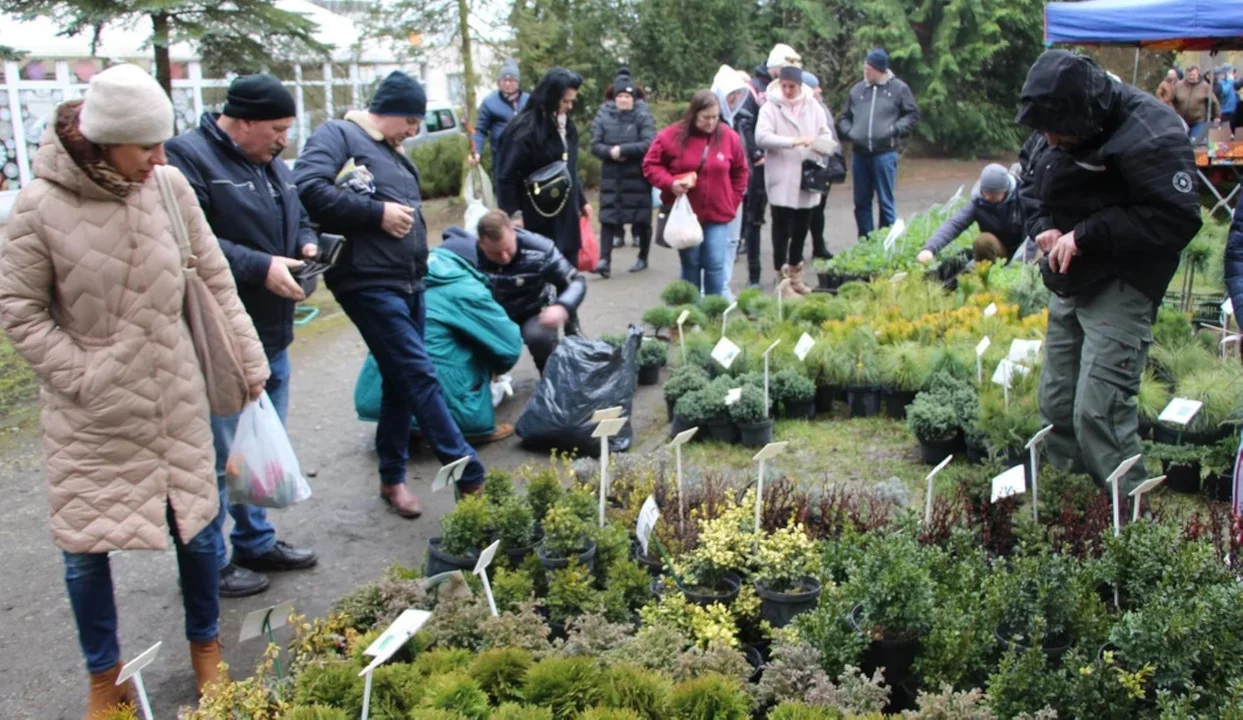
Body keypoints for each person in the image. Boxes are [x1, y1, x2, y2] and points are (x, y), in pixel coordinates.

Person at [0, 63, 269, 715]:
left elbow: (213, 280)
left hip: (177, 395)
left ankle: (206, 648)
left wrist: (248, 360)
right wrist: (82, 375)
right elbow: (18, 308)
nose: (158, 156)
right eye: (144, 145)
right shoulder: (37, 207)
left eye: (162, 142)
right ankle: (105, 678)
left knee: (199, 529)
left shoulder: (170, 188)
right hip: (88, 412)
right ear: (102, 139)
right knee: (85, 550)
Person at [295, 70, 486, 517]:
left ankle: (392, 478)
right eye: (413, 121)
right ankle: (470, 476)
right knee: (419, 373)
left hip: (408, 280)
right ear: (393, 111)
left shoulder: (393, 153)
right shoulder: (339, 134)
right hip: (366, 281)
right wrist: (376, 213)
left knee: (401, 382)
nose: (415, 131)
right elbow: (307, 187)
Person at [1016, 50, 1201, 497]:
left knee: (1098, 411)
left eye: (1058, 132)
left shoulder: (1151, 132)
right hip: (1068, 277)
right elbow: (1028, 182)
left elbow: (1175, 218)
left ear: (1083, 117)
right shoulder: (1053, 127)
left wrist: (1085, 235)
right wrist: (1044, 229)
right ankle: (1071, 503)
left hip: (1123, 277)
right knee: (1058, 404)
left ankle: (1131, 521)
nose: (1050, 140)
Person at [165, 73, 319, 600]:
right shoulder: (186, 159)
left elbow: (299, 214)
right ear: (244, 120)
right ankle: (214, 562)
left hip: (272, 332)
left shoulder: (271, 162)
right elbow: (191, 245)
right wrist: (260, 267)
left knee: (256, 450)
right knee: (218, 456)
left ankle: (256, 540)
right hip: (219, 339)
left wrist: (307, 244)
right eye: (276, 128)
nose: (283, 140)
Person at [355, 231, 522, 443]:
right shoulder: (466, 288)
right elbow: (509, 345)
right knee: (480, 340)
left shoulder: (402, 276)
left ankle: (408, 423)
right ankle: (462, 425)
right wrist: (495, 368)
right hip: (444, 400)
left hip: (375, 395)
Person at [643, 90, 749, 297]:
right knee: (691, 263)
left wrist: (732, 200)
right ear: (694, 115)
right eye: (706, 118)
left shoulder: (729, 136)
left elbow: (741, 171)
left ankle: (713, 314)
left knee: (715, 264)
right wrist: (670, 183)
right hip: (686, 214)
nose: (711, 123)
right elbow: (650, 165)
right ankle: (690, 316)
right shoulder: (671, 135)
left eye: (715, 117)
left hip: (718, 213)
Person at [463, 210, 587, 374]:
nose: (505, 257)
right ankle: (485, 380)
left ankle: (551, 376)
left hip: (533, 309)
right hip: (492, 314)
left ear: (513, 232)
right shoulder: (468, 255)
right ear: (481, 244)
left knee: (540, 338)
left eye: (508, 249)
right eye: (495, 253)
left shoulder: (540, 249)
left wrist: (562, 307)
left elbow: (575, 281)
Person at [756, 65, 838, 296]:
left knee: (802, 227)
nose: (787, 91)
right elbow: (761, 137)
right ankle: (781, 280)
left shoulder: (813, 106)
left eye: (792, 86)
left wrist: (821, 146)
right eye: (784, 86)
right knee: (782, 228)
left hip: (807, 175)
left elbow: (825, 133)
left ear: (800, 86)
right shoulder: (770, 107)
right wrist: (792, 141)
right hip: (782, 176)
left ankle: (796, 275)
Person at [496, 68, 592, 263]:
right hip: (536, 219)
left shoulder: (568, 127)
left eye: (572, 101)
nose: (569, 106)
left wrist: (581, 201)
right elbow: (505, 176)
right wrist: (513, 214)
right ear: (550, 97)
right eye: (565, 101)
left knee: (568, 278)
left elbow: (570, 167)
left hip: (567, 218)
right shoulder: (524, 130)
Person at [735, 44, 801, 288]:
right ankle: (754, 274)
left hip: (785, 163)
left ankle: (783, 271)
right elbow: (743, 123)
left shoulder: (787, 90)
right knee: (754, 220)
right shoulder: (752, 90)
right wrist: (755, 154)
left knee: (785, 218)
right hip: (761, 166)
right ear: (774, 66)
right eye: (784, 69)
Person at [838, 48, 920, 239]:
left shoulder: (899, 89)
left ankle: (886, 241)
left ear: (880, 69)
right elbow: (844, 117)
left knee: (886, 202)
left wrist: (894, 129)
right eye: (865, 67)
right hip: (860, 154)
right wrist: (851, 132)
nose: (865, 72)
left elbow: (912, 114)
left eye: (869, 68)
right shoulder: (857, 90)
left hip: (885, 153)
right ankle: (866, 241)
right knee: (861, 203)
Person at [590, 68, 656, 277]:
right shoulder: (603, 115)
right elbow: (595, 144)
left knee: (642, 220)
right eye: (620, 96)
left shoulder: (643, 115)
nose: (624, 100)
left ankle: (643, 257)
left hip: (637, 177)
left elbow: (649, 143)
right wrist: (610, 152)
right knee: (608, 219)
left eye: (627, 96)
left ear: (633, 98)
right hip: (612, 177)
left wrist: (625, 150)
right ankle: (604, 261)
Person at [917, 163, 1025, 265]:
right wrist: (930, 249)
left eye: (992, 194)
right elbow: (955, 225)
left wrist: (1020, 263)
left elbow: (1033, 233)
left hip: (1024, 249)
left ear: (1005, 191)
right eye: (985, 192)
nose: (987, 197)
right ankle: (985, 276)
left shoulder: (1023, 197)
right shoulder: (978, 202)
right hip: (998, 249)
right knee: (983, 241)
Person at [711, 65, 754, 300]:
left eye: (738, 94)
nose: (735, 99)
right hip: (716, 191)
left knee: (733, 240)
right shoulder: (711, 122)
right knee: (716, 240)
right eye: (730, 94)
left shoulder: (740, 119)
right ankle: (712, 286)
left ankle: (724, 283)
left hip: (737, 189)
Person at [802, 71, 838, 262]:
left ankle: (819, 245)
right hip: (810, 165)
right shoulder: (806, 109)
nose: (820, 89)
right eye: (815, 86)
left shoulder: (821, 106)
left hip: (825, 165)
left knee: (819, 210)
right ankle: (797, 249)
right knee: (804, 210)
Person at [471, 59, 529, 176]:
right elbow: (480, 131)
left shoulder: (528, 101)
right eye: (505, 80)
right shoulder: (489, 103)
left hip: (526, 161)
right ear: (499, 82)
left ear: (517, 82)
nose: (508, 84)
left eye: (511, 80)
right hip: (502, 162)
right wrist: (476, 151)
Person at [1172, 65, 1221, 140]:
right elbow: (1170, 100)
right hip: (1181, 122)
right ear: (1186, 75)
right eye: (1189, 75)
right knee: (1181, 142)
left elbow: (1214, 102)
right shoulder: (1178, 86)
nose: (1191, 77)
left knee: (1195, 143)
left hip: (1198, 121)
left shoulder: (1205, 86)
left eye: (1193, 75)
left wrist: (1217, 116)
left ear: (1198, 74)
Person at [1218, 65, 1239, 132]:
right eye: (1232, 72)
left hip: (1234, 111)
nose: (1233, 74)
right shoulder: (1221, 82)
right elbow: (1224, 92)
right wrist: (1230, 80)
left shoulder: (1232, 82)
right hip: (1225, 111)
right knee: (1226, 132)